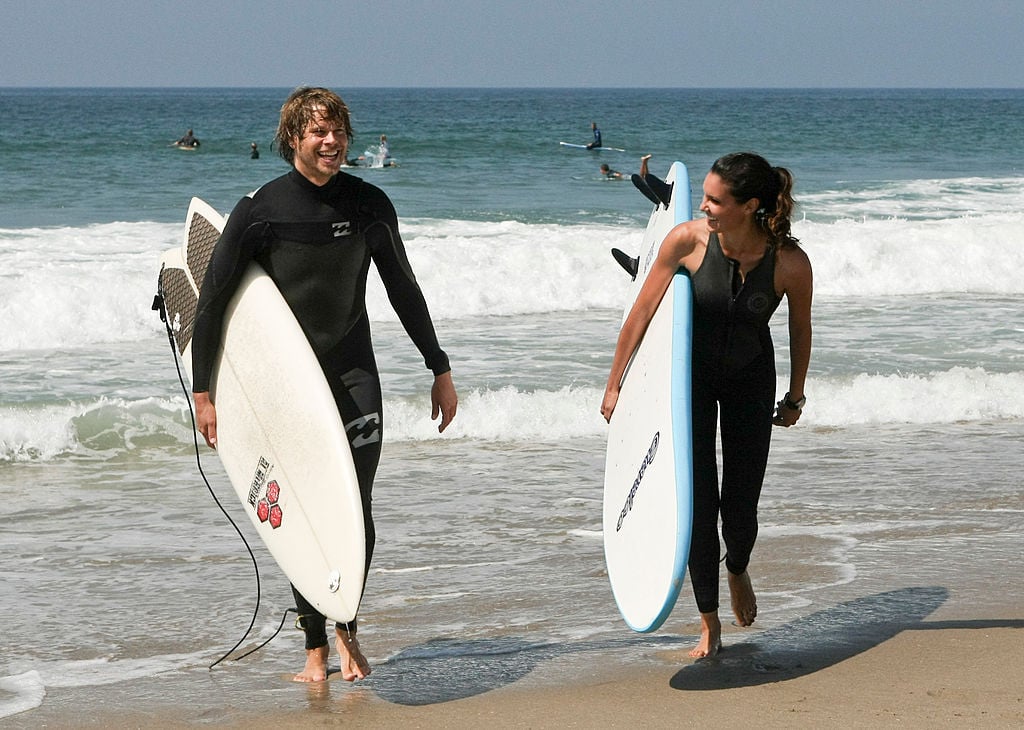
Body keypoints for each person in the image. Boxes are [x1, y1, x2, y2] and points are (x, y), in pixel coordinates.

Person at [190, 87, 459, 683]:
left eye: (338, 131)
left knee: (353, 506)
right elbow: (212, 304)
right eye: (318, 132)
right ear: (293, 139)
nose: (332, 141)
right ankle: (314, 648)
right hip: (287, 385)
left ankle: (348, 631)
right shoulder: (259, 209)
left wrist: (437, 366)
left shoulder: (368, 204)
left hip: (352, 371)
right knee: (304, 505)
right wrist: (205, 393)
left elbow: (403, 289)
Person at [601, 152, 813, 659]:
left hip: (751, 382)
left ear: (750, 206)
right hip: (689, 385)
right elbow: (642, 314)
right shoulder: (688, 242)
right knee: (697, 506)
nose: (704, 206)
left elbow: (800, 329)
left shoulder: (789, 263)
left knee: (739, 509)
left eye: (715, 200)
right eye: (705, 197)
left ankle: (737, 567)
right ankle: (708, 622)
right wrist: (615, 384)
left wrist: (796, 393)